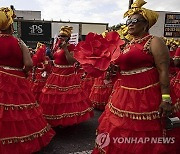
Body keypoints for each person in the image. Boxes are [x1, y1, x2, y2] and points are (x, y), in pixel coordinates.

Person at [93, 0, 180, 153]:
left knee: (144, 135)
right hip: (123, 96)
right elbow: (122, 68)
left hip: (147, 97)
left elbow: (163, 70)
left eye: (135, 21)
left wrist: (166, 98)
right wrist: (112, 69)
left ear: (146, 24)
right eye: (128, 21)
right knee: (120, 129)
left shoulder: (154, 41)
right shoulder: (126, 45)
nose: (130, 24)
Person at [0, 7, 55, 154]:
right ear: (11, 25)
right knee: (18, 112)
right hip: (17, 80)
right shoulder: (19, 43)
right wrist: (23, 72)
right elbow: (29, 64)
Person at [39, 25, 94, 127]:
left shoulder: (71, 47)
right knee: (55, 98)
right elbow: (56, 59)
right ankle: (56, 118)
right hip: (56, 74)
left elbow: (71, 61)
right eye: (59, 36)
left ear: (68, 38)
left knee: (67, 98)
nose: (60, 38)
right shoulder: (57, 47)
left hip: (67, 75)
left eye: (63, 36)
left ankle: (66, 119)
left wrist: (65, 49)